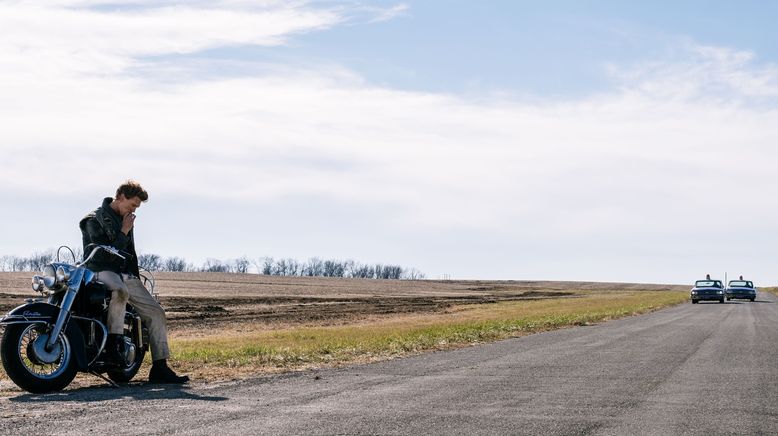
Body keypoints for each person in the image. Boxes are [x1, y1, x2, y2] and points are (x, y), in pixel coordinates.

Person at [80, 180, 189, 384]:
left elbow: (129, 254)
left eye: (137, 207)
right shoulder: (94, 220)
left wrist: (136, 279)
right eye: (132, 204)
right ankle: (113, 344)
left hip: (125, 274)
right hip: (101, 271)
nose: (134, 210)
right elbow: (101, 257)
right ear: (120, 196)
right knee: (120, 292)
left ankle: (160, 368)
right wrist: (123, 232)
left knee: (156, 312)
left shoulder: (125, 219)